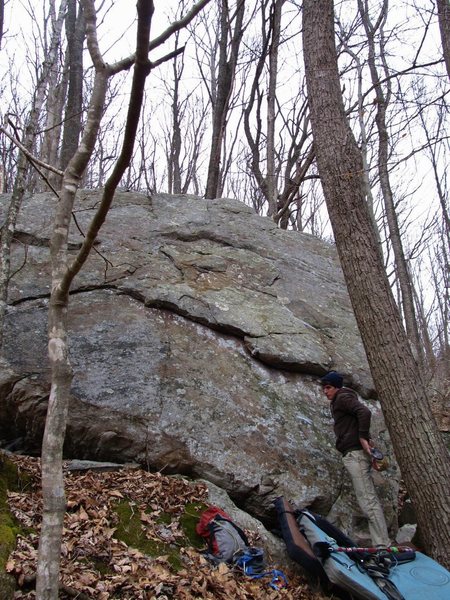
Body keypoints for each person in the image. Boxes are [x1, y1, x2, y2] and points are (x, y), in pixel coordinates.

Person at [320, 370, 391, 548]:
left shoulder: (342, 398)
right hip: (353, 453)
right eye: (324, 388)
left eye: (328, 387)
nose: (325, 391)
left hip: (356, 454)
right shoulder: (341, 399)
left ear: (336, 387)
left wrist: (362, 438)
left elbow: (364, 412)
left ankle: (382, 545)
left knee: (367, 500)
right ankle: (381, 543)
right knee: (366, 499)